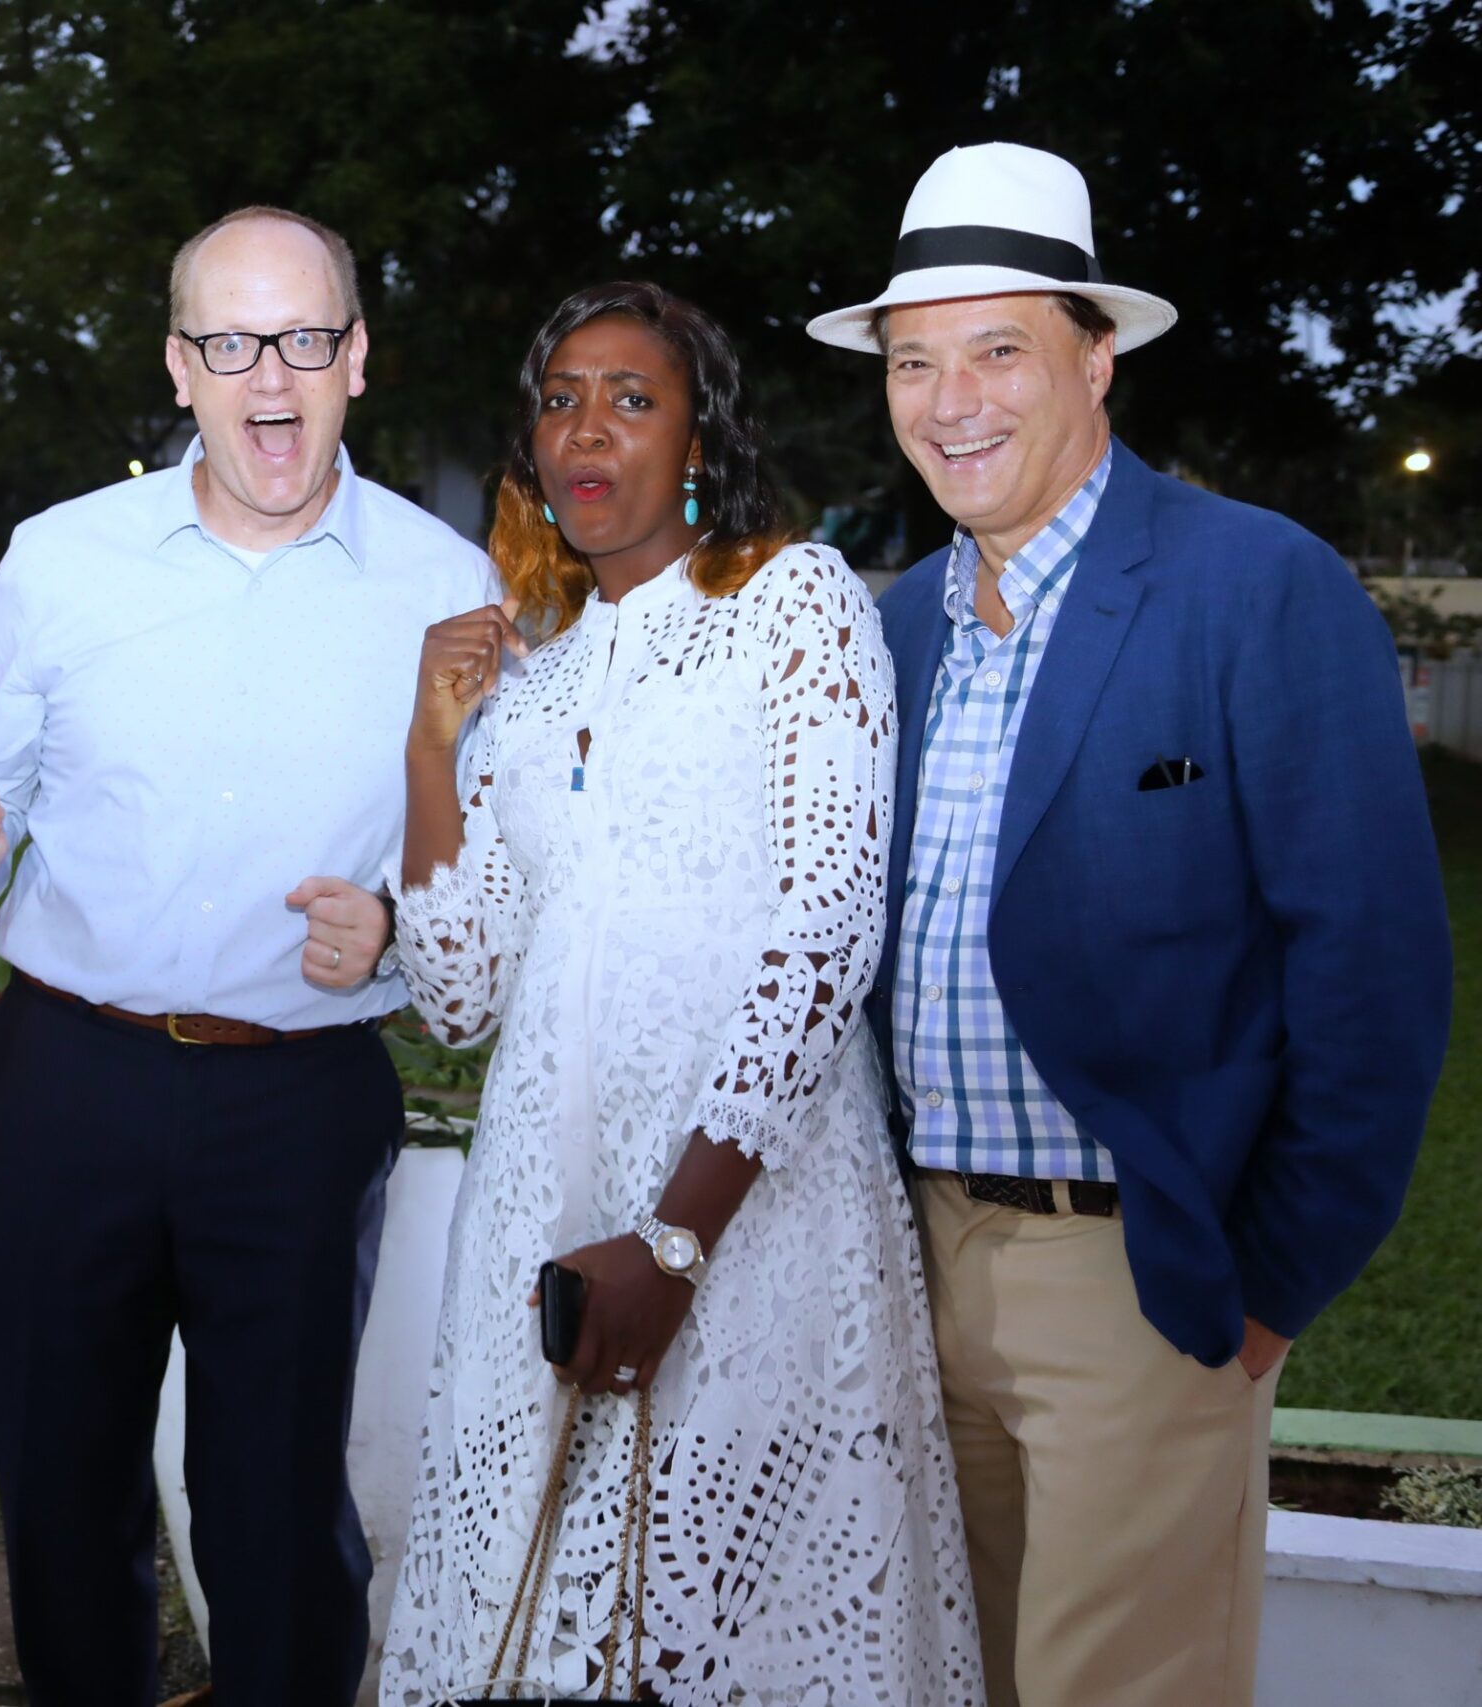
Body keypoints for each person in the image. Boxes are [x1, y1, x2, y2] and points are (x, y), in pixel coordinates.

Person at [806, 142, 1453, 1707]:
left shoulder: (1258, 589)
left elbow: (1374, 980)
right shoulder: (888, 629)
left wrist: (1262, 1291)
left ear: (1098, 358)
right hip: (909, 1269)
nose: (952, 400)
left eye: (999, 351)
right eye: (914, 361)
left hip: (1142, 1279)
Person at [0, 206, 500, 1706]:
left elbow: (476, 863)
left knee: (280, 1507)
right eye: (233, 344)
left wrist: (407, 944)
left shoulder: (449, 590)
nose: (270, 380)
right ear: (181, 367)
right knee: (61, 1491)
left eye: (304, 340)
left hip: (296, 1099)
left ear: (356, 356)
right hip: (67, 1084)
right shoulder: (62, 558)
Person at [376, 283, 980, 1706]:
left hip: (745, 1215)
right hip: (544, 1215)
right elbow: (459, 993)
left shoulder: (796, 604)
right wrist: (425, 748)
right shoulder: (528, 689)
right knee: (542, 1629)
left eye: (634, 399)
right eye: (562, 398)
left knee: (724, 1631)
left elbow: (827, 931)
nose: (590, 427)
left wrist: (678, 1239)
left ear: (701, 438)